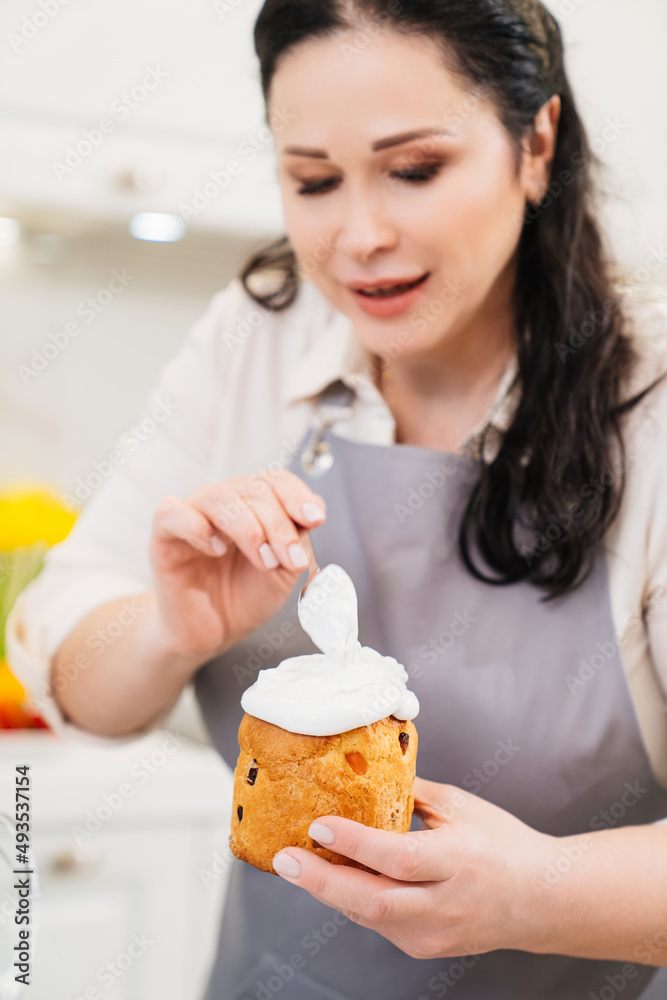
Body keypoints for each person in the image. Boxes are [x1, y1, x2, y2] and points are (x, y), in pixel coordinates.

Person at [7, 1, 667, 997]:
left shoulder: (647, 394)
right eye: (313, 181)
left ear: (535, 144)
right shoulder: (255, 338)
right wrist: (168, 631)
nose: (358, 237)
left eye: (415, 169)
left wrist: (534, 891)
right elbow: (71, 660)